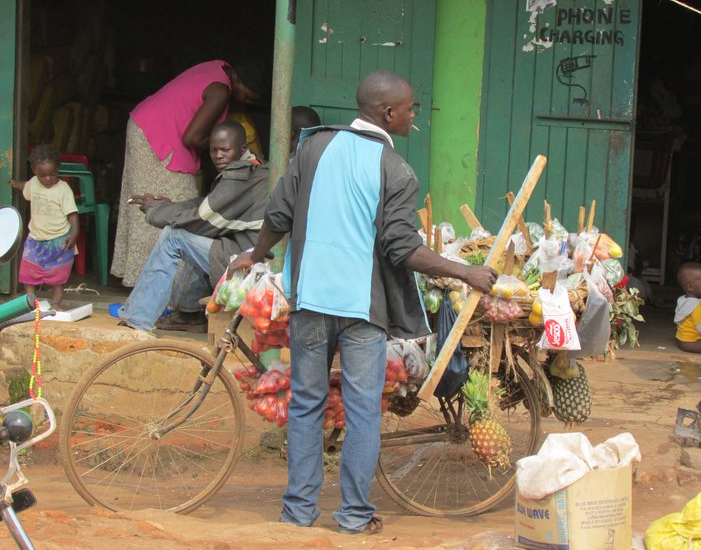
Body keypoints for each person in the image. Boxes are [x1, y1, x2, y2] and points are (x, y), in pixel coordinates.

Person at [228, 71, 498, 535]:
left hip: (310, 300)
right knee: (362, 409)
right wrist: (466, 271)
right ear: (388, 113)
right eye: (410, 108)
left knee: (307, 404)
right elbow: (401, 248)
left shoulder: (312, 148)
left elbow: (279, 213)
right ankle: (353, 516)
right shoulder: (396, 170)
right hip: (361, 312)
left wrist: (255, 252)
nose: (414, 116)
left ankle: (297, 513)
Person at [110, 57, 268, 288]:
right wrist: (225, 149)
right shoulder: (221, 91)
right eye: (247, 95)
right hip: (159, 138)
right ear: (238, 80)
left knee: (169, 205)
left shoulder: (217, 67)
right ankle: (157, 290)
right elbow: (192, 138)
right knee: (170, 214)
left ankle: (151, 289)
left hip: (145, 125)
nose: (245, 102)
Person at [118, 121, 268, 333]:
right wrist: (168, 206)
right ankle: (188, 315)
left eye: (225, 150)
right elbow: (206, 205)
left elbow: (203, 220)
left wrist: (156, 212)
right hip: (243, 251)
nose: (218, 155)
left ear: (242, 149)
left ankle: (137, 318)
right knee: (189, 236)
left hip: (249, 262)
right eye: (213, 150)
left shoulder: (240, 177)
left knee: (174, 236)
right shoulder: (254, 165)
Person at [9, 144, 79, 309]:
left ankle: (56, 304)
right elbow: (24, 186)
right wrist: (15, 183)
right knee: (28, 271)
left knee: (58, 276)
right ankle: (30, 301)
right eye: (43, 175)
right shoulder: (33, 183)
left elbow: (72, 214)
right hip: (35, 239)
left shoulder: (63, 189)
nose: (48, 179)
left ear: (58, 170)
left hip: (59, 240)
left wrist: (74, 234)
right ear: (34, 171)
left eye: (52, 174)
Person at [674, 262, 701, 354]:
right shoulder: (697, 305)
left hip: (681, 340)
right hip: (692, 343)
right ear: (690, 287)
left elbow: (692, 321)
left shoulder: (683, 300)